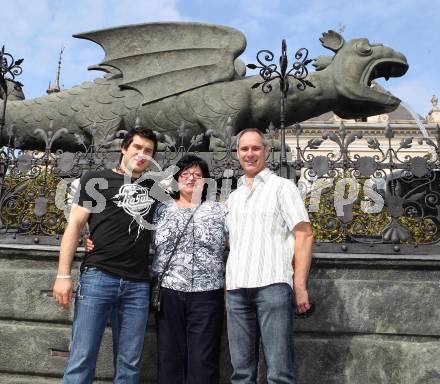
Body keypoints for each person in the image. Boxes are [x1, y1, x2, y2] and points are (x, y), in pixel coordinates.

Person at [52, 126, 159, 383]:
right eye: (137, 147)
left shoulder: (155, 189)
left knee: (129, 364)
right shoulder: (95, 180)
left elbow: (187, 203)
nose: (142, 154)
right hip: (98, 277)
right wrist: (63, 275)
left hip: (137, 285)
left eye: (148, 151)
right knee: (81, 358)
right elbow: (75, 225)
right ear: (124, 148)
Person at [225, 128, 314, 384]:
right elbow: (234, 243)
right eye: (244, 149)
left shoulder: (282, 187)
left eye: (255, 148)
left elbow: (304, 234)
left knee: (279, 373)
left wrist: (299, 286)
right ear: (237, 153)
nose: (250, 154)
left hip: (272, 286)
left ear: (266, 151)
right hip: (236, 290)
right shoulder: (234, 196)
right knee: (241, 374)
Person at [153, 154, 227, 384]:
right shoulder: (160, 210)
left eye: (197, 174)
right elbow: (133, 238)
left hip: (208, 293)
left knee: (204, 358)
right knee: (169, 356)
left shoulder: (219, 211)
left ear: (205, 181)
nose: (191, 178)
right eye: (185, 174)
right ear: (176, 179)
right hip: (168, 292)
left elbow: (238, 245)